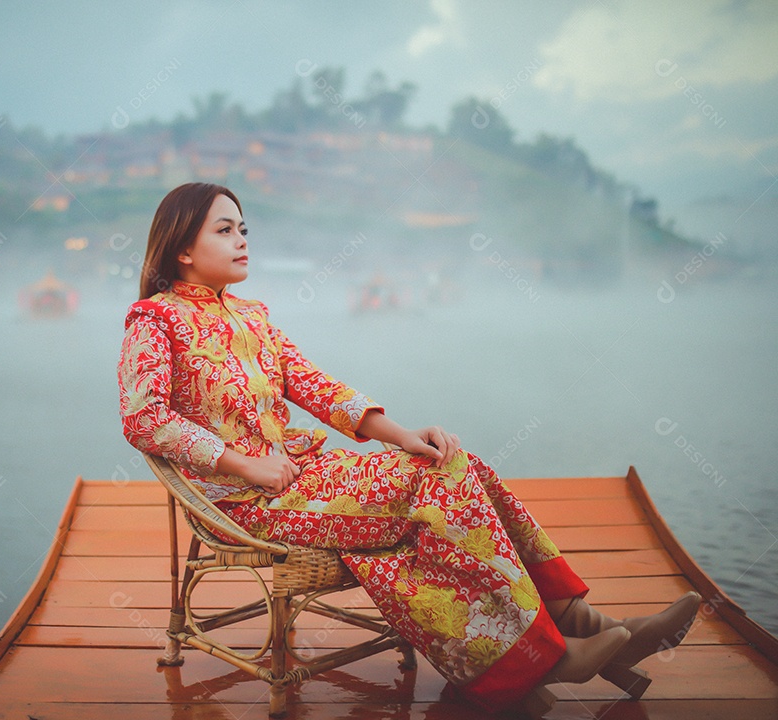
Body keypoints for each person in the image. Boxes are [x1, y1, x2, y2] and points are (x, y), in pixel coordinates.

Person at [117, 182, 700, 717]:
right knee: (429, 488)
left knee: (449, 463)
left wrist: (403, 435)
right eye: (224, 229)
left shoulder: (252, 316)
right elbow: (144, 419)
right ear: (182, 250)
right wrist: (244, 463)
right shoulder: (154, 320)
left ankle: (575, 627)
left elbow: (316, 386)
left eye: (244, 228)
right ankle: (548, 649)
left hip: (304, 474)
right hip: (239, 498)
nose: (242, 239)